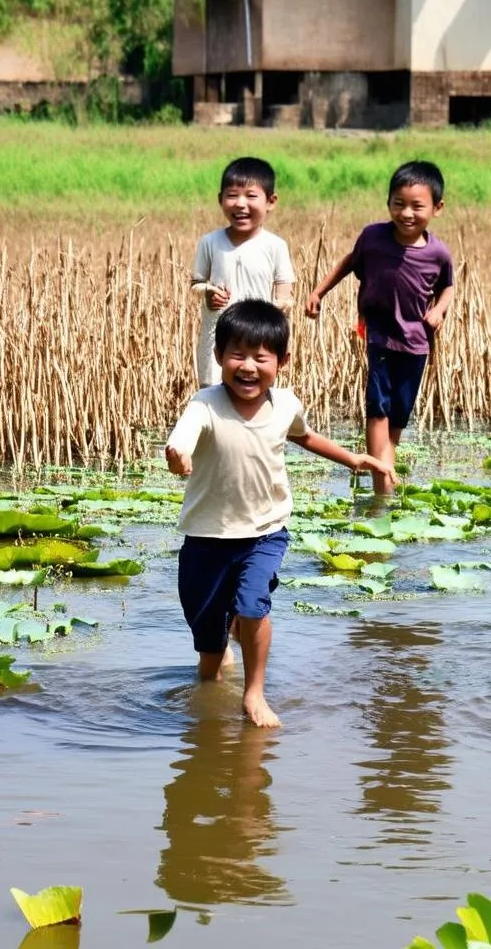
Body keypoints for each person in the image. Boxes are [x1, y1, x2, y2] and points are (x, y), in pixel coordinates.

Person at [165, 299, 395, 728]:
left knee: (254, 604)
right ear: (218, 358)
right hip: (207, 537)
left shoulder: (285, 404)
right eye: (236, 354)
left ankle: (254, 694)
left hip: (265, 531)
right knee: (208, 649)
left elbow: (304, 437)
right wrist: (177, 456)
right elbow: (181, 440)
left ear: (282, 361)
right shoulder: (205, 404)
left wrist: (354, 459)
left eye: (260, 357)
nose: (248, 366)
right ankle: (213, 680)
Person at [304, 161, 455, 496]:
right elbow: (348, 263)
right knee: (378, 409)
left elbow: (448, 287)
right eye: (398, 204)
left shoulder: (437, 253)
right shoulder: (373, 238)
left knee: (397, 419)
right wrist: (318, 292)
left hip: (416, 345)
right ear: (388, 202)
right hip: (379, 338)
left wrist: (439, 311)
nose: (406, 213)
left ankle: (383, 474)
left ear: (437, 208)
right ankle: (382, 490)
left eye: (417, 206)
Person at [191, 157, 295, 388]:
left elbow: (285, 296)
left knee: (254, 391)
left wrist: (274, 309)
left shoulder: (275, 246)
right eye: (232, 195)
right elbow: (196, 282)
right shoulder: (210, 242)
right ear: (220, 200)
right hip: (218, 335)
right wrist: (208, 292)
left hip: (260, 337)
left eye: (250, 196)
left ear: (271, 201)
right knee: (213, 389)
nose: (240, 204)